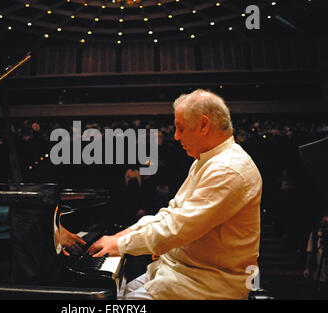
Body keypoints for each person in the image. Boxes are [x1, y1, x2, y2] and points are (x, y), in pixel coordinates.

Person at [87, 89, 263, 300]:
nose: (176, 136)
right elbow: (171, 213)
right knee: (115, 294)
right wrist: (122, 235)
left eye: (181, 128)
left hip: (207, 284)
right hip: (182, 272)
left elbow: (176, 228)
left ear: (204, 125)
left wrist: (120, 245)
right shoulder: (204, 162)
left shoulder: (227, 168)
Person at [303, 214, 328, 299]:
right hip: (317, 266)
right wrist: (307, 267)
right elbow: (309, 251)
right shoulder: (315, 234)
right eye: (324, 222)